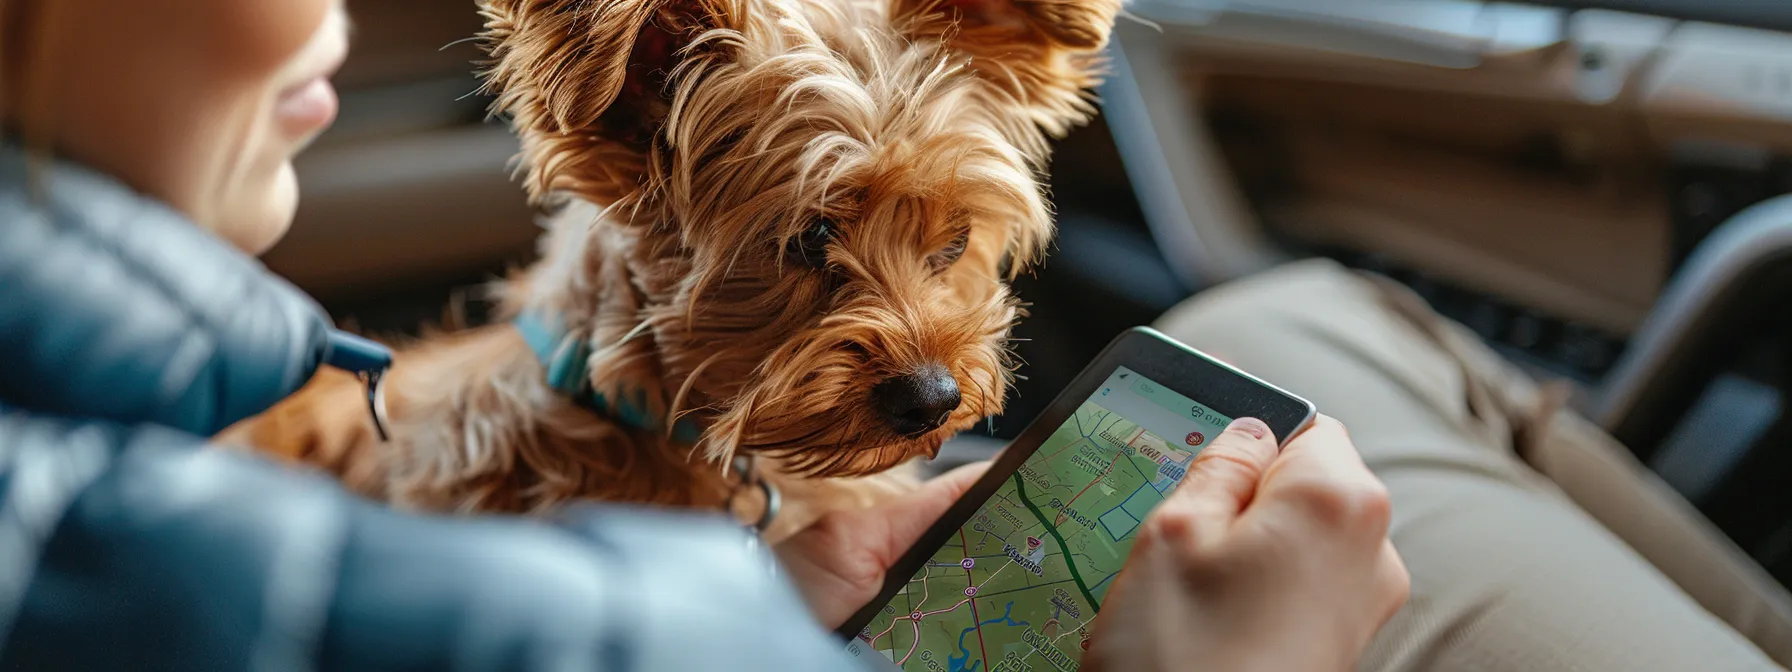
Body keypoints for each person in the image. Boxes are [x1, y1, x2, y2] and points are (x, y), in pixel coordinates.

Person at [0, 1, 1407, 670]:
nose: (928, 358)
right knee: (1346, 342)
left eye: (949, 244)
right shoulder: (465, 555)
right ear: (620, 133)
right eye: (809, 253)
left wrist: (782, 597)